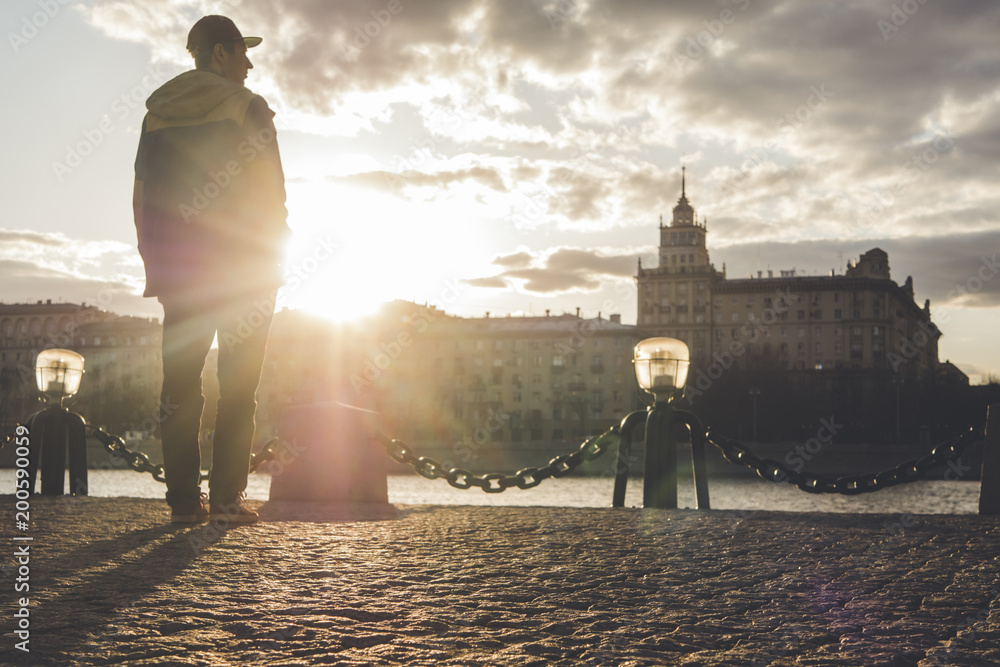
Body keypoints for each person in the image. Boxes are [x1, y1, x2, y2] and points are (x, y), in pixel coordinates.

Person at [132, 15, 289, 523]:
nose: (248, 62)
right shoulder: (248, 107)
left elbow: (144, 197)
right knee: (238, 385)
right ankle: (225, 501)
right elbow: (271, 193)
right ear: (219, 53)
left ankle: (182, 503)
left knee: (179, 386)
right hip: (243, 271)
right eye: (241, 51)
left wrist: (157, 263)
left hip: (182, 272)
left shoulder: (157, 113)